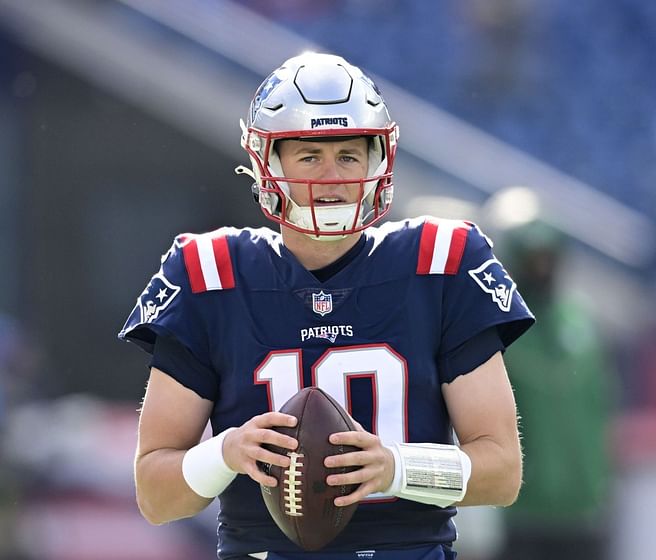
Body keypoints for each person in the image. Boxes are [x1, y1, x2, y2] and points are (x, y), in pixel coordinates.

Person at [118, 52, 534, 560]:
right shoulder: (209, 272)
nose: (331, 177)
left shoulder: (441, 263)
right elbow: (156, 496)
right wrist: (225, 453)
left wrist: (394, 468)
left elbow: (502, 472)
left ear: (378, 160)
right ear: (268, 164)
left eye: (348, 155)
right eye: (310, 157)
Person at [493, 216, 615, 560]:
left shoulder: (583, 323)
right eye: (533, 259)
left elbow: (601, 408)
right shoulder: (498, 327)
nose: (542, 269)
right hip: (520, 511)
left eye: (549, 258)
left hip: (582, 507)